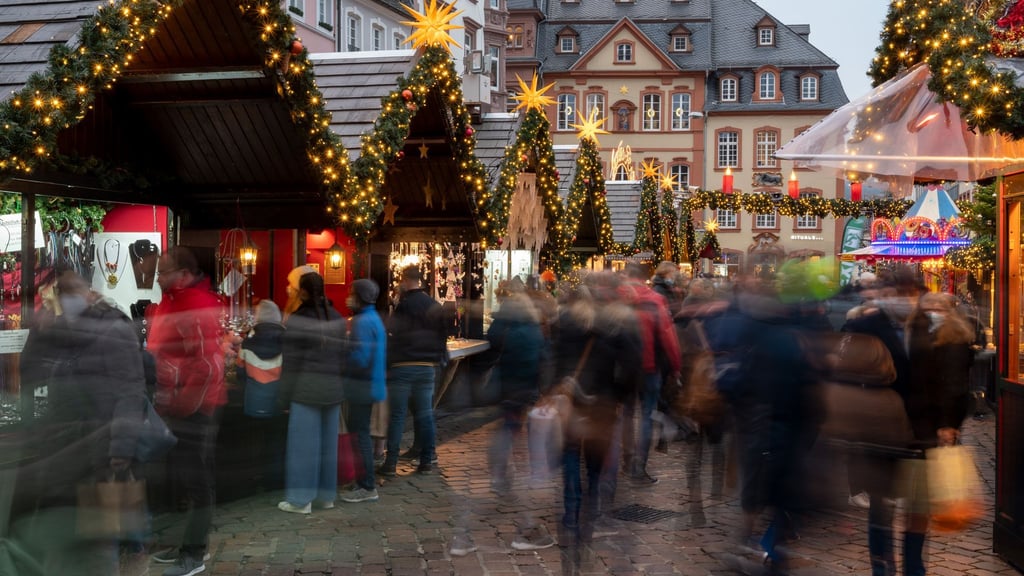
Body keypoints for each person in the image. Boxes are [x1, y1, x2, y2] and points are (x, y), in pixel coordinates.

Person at [16, 270, 147, 575]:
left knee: (98, 542)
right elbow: (30, 374)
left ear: (88, 292)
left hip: (98, 451)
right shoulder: (56, 329)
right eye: (63, 293)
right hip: (59, 452)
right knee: (61, 541)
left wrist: (121, 446)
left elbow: (130, 389)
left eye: (73, 291)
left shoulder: (113, 327)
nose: (68, 299)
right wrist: (38, 332)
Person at [148, 246, 226, 576]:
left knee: (197, 480)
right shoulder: (173, 301)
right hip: (180, 404)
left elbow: (207, 366)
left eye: (163, 272)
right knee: (185, 477)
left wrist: (181, 404)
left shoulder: (193, 305)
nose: (158, 277)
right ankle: (189, 545)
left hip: (195, 407)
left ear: (182, 274)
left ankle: (194, 553)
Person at [484, 277, 553, 550]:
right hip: (525, 386)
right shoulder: (534, 329)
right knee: (514, 426)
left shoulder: (503, 324)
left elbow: (491, 342)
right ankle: (511, 469)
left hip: (505, 384)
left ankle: (500, 470)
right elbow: (543, 359)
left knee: (508, 425)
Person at [277, 268, 346, 514]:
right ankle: (326, 497)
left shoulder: (298, 320)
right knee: (328, 446)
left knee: (302, 447)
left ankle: (301, 499)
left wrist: (283, 397)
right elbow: (343, 356)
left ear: (302, 292)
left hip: (306, 389)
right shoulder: (336, 317)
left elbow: (290, 363)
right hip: (333, 388)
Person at [379, 266, 447, 476]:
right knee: (425, 414)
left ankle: (390, 463)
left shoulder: (404, 305)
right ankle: (427, 461)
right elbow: (443, 335)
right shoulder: (434, 305)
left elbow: (393, 333)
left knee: (398, 415)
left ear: (405, 279)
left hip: (403, 365)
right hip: (426, 367)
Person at [620, 263, 680, 485]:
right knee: (646, 415)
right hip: (649, 366)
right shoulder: (655, 300)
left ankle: (626, 460)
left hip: (623, 367)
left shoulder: (617, 298)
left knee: (626, 414)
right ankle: (639, 467)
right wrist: (676, 366)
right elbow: (668, 336)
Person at [340, 278, 387, 503]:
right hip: (371, 384)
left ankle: (367, 485)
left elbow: (360, 358)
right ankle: (362, 481)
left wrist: (343, 354)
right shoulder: (373, 318)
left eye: (351, 293)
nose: (348, 297)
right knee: (361, 435)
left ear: (359, 296)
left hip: (361, 386)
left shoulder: (361, 321)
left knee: (360, 437)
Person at [236, 299, 287, 491]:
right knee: (276, 441)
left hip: (254, 402)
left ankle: (255, 480)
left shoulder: (247, 344)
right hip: (278, 402)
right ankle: (274, 481)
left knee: (254, 441)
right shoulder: (286, 344)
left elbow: (240, 374)